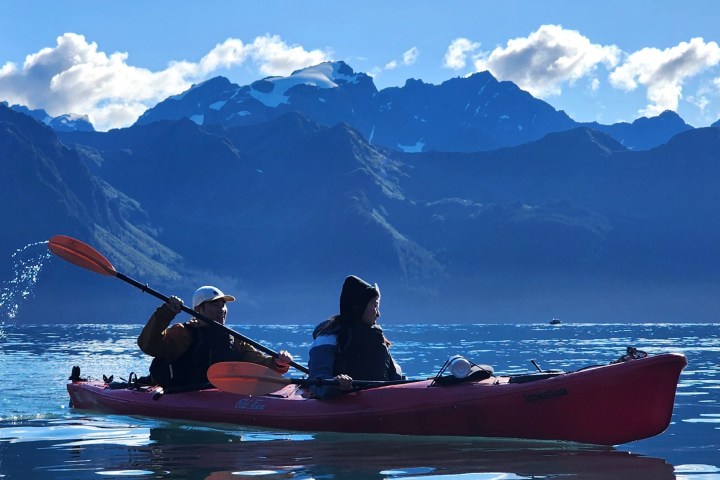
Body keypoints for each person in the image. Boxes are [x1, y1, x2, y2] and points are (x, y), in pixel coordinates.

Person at [138, 285, 294, 388]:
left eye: (223, 305)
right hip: (183, 392)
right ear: (199, 309)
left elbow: (260, 363)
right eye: (214, 305)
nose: (222, 310)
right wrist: (166, 312)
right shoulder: (183, 333)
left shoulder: (234, 338)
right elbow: (148, 345)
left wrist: (278, 362)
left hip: (219, 395)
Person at [308, 275, 403, 398]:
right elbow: (318, 380)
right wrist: (335, 383)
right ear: (359, 306)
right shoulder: (328, 338)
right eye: (375, 305)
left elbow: (397, 378)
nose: (378, 314)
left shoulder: (376, 337)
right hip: (341, 403)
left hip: (376, 401)